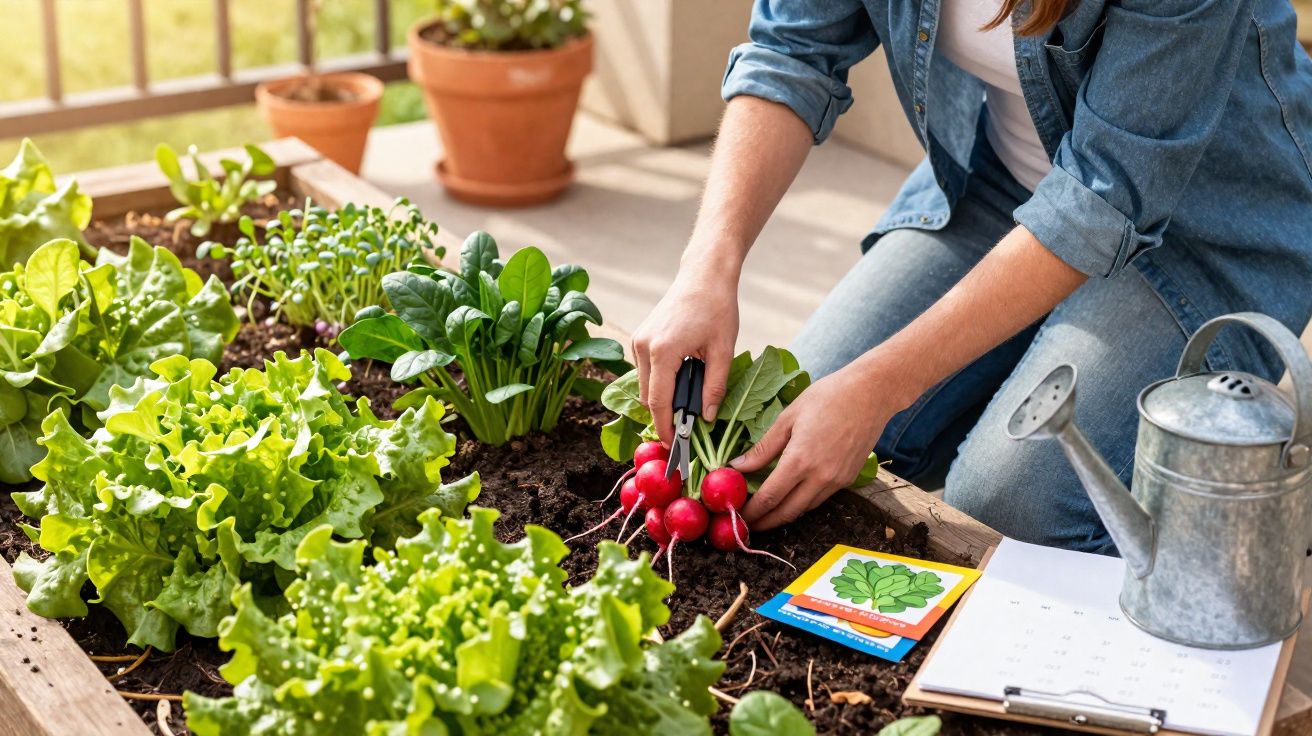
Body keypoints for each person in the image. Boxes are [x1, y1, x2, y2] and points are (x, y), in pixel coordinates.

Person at [630, 0, 1312, 552]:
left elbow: (1103, 201)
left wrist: (879, 387)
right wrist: (707, 269)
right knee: (784, 447)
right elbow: (791, 54)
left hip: (1209, 230)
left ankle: (1239, 512)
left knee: (1009, 504)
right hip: (1001, 189)